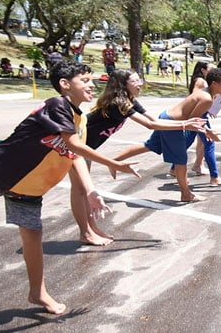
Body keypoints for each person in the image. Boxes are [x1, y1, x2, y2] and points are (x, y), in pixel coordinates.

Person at [0, 61, 139, 315]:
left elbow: (74, 157)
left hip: (29, 187)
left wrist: (91, 191)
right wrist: (113, 162)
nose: (91, 84)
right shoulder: (57, 105)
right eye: (84, 80)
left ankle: (37, 293)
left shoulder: (81, 119)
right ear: (65, 85)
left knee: (33, 235)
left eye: (91, 80)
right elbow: (73, 145)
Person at [81, 69, 207, 245]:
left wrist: (184, 124)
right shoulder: (119, 103)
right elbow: (150, 125)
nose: (140, 82)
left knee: (82, 191)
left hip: (86, 147)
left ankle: (90, 230)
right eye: (135, 80)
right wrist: (185, 124)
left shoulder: (129, 100)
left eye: (139, 79)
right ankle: (87, 231)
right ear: (123, 84)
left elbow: (154, 120)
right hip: (79, 144)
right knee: (82, 191)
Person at [116, 68, 221, 202]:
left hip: (166, 116)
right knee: (180, 159)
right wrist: (207, 131)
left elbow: (193, 118)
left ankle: (113, 161)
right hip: (172, 123)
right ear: (214, 84)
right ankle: (186, 194)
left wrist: (207, 130)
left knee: (150, 145)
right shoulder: (207, 98)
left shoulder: (208, 93)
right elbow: (192, 120)